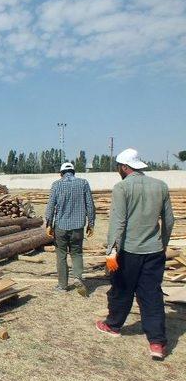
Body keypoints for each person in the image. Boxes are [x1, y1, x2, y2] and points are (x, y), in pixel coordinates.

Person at [96, 148, 174, 360]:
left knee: (121, 289)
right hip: (154, 251)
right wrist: (163, 244)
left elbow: (118, 222)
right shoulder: (161, 186)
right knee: (151, 295)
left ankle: (113, 326)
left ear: (123, 167)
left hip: (129, 251)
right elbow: (169, 221)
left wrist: (111, 251)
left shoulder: (122, 188)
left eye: (118, 168)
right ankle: (157, 342)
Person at [45, 162, 96, 296]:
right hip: (78, 227)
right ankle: (78, 278)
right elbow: (90, 205)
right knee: (77, 253)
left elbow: (50, 206)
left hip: (61, 227)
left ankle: (62, 285)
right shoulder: (83, 183)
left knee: (61, 255)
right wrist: (91, 223)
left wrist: (48, 224)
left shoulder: (56, 185)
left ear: (61, 174)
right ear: (74, 172)